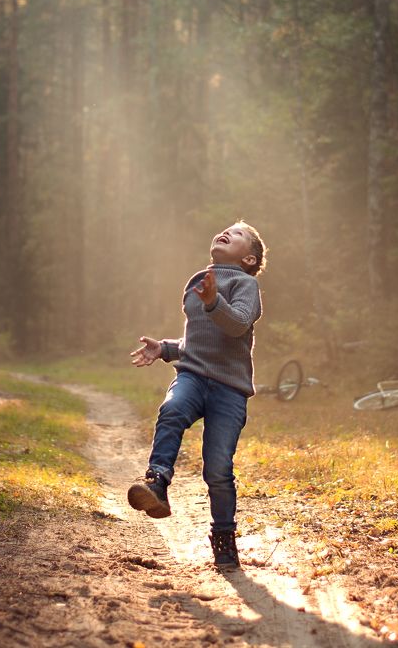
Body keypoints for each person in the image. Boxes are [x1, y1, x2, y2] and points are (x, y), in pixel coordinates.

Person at [127, 220, 266, 568]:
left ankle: (223, 540)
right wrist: (166, 348)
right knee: (171, 409)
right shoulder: (197, 281)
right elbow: (198, 339)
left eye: (237, 235)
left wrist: (214, 301)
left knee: (218, 469)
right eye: (225, 230)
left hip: (230, 390)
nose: (226, 233)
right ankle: (157, 482)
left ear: (248, 259)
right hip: (192, 375)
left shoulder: (245, 284)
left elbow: (235, 326)